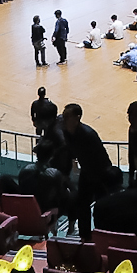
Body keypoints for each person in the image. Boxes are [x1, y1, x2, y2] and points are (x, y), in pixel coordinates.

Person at [55, 102, 113, 239]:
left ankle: (103, 233)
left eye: (67, 116)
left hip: (100, 173)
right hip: (87, 171)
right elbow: (69, 151)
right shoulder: (67, 132)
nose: (64, 119)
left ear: (77, 118)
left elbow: (101, 158)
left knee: (102, 206)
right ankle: (85, 236)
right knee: (82, 205)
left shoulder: (88, 134)